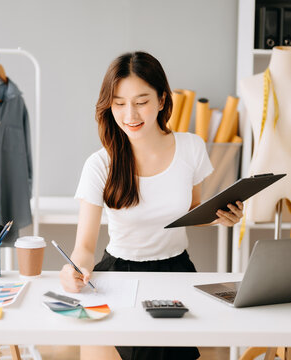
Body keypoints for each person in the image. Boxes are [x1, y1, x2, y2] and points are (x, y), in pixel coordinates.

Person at [60, 51, 243, 360]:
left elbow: (192, 210)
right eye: (119, 103)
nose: (130, 114)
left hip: (176, 272)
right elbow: (85, 247)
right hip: (118, 274)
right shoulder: (99, 164)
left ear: (161, 100)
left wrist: (219, 218)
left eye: (141, 102)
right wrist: (74, 269)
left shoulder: (191, 148)